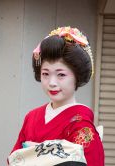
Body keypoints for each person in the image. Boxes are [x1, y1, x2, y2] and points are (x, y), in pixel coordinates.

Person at [9, 27, 104, 166]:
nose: (52, 83)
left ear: (76, 77)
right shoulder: (32, 117)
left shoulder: (82, 125)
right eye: (45, 74)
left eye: (61, 75)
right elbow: (13, 159)